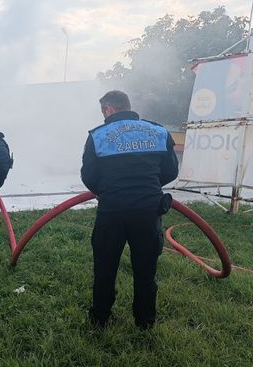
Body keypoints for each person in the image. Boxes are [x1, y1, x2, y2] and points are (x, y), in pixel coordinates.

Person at [81, 90, 179, 330]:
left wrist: (108, 191)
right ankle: (144, 322)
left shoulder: (98, 135)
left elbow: (89, 176)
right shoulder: (158, 132)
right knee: (146, 271)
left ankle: (100, 318)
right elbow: (171, 171)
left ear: (108, 109)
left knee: (105, 268)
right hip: (147, 212)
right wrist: (148, 188)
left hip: (111, 212)